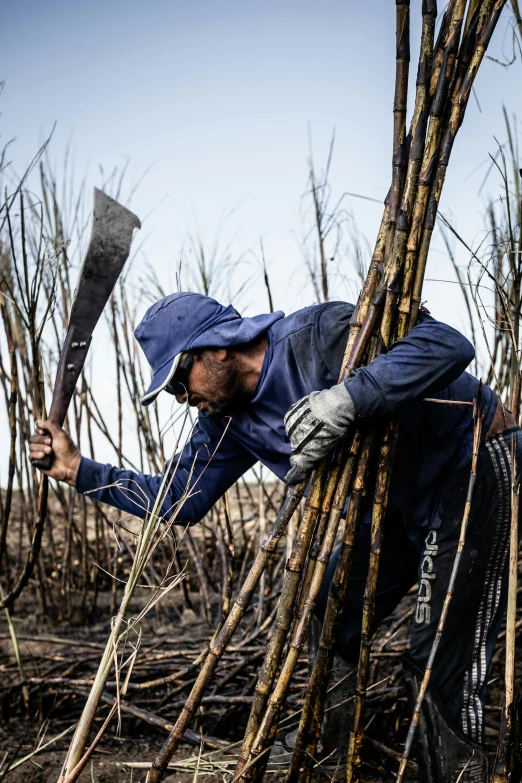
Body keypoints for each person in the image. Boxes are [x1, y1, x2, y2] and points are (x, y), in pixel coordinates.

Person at [30, 292, 520, 782]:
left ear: (217, 347)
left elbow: (447, 344)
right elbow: (180, 498)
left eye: (180, 378)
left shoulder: (318, 336)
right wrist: (76, 470)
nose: (181, 398)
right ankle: (333, 754)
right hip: (393, 502)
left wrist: (348, 399)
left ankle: (458, 772)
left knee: (439, 655)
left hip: (472, 463)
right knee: (332, 612)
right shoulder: (225, 422)